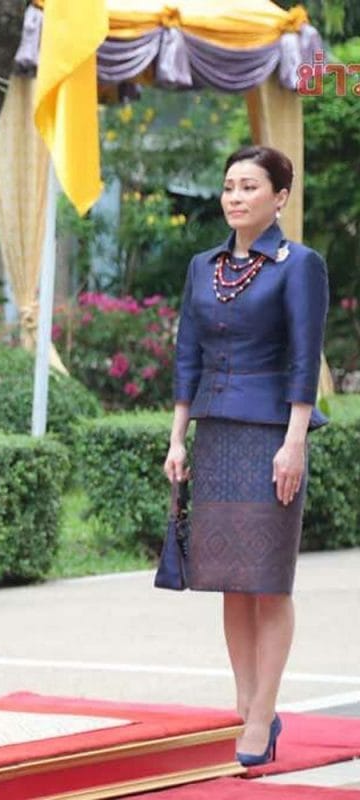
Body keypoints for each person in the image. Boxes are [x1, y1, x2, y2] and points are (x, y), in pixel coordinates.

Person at [165, 145, 329, 767]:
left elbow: (305, 356)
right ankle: (246, 706)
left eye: (250, 187)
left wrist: (294, 442)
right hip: (216, 432)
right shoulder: (202, 266)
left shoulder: (300, 265)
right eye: (229, 186)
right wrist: (178, 438)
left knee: (267, 581)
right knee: (230, 581)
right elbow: (187, 354)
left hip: (270, 436)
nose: (235, 197)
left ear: (280, 197)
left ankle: (263, 714)